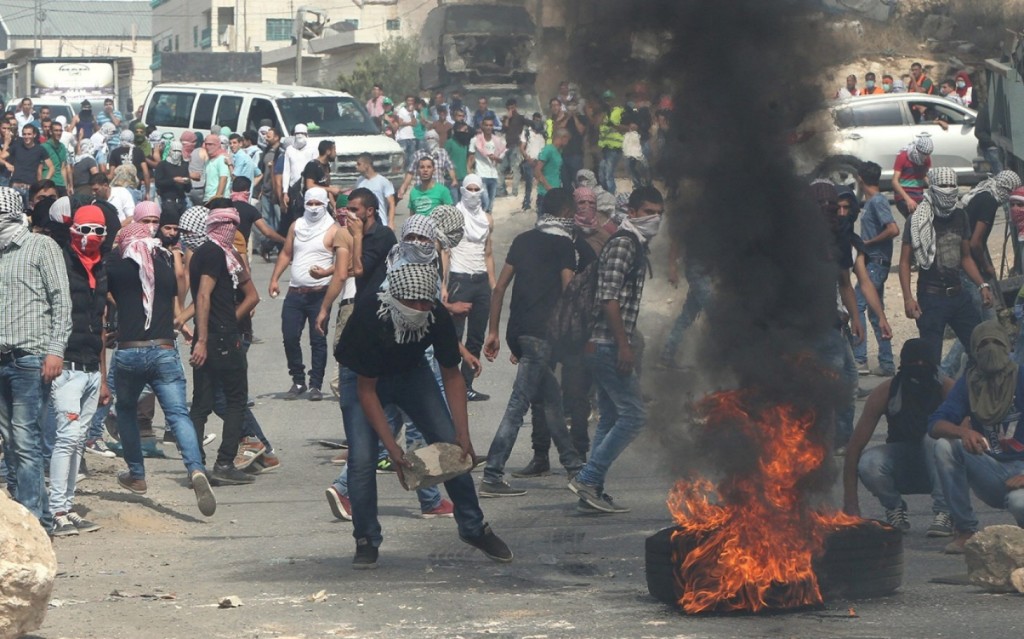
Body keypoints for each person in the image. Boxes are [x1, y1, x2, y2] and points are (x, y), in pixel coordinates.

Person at [335, 261, 513, 568]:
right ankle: (366, 538)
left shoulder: (435, 316)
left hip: (412, 374)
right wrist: (392, 447)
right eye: (412, 302)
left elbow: (452, 375)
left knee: (452, 449)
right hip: (363, 379)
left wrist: (463, 434)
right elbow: (367, 392)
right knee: (362, 459)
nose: (419, 307)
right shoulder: (370, 316)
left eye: (425, 302)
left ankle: (473, 527)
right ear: (396, 297)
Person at [106, 223, 217, 516]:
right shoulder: (166, 262)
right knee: (178, 414)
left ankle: (137, 474)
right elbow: (180, 287)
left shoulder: (115, 263)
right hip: (164, 348)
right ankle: (195, 469)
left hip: (129, 349)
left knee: (127, 410)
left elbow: (104, 297)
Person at [480, 187, 585, 497]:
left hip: (519, 331)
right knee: (518, 405)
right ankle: (493, 472)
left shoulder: (523, 240)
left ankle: (575, 467)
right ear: (567, 212)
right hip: (543, 335)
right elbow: (568, 290)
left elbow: (498, 289)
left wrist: (494, 333)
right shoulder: (565, 245)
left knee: (552, 401)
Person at [567, 187, 663, 513]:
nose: (655, 218)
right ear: (632, 212)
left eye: (659, 212)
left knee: (610, 416)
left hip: (604, 344)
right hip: (606, 344)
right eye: (648, 211)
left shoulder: (631, 242)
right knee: (634, 416)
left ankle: (591, 490)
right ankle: (588, 477)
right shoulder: (624, 243)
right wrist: (625, 345)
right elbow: (609, 298)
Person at [0, 186, 71, 532]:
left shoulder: (41, 246)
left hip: (30, 357)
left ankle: (31, 521)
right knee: (9, 441)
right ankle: (35, 513)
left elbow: (61, 301)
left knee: (25, 439)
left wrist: (56, 350)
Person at [843, 339, 954, 537]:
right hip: (905, 465)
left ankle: (946, 511)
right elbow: (854, 448)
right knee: (869, 462)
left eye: (924, 363)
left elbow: (967, 434)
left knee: (933, 439)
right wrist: (850, 502)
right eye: (913, 362)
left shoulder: (946, 388)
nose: (919, 367)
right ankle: (894, 508)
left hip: (944, 466)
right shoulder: (887, 391)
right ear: (902, 365)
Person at [930, 321, 1024, 554]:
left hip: (1021, 471)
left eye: (997, 342)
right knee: (944, 445)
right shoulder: (969, 383)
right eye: (983, 344)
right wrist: (963, 431)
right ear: (973, 351)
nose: (990, 348)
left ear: (1008, 347)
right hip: (990, 468)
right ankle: (966, 531)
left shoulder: (1021, 378)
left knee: (1019, 503)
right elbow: (935, 424)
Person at [48, 205, 110, 536]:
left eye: (99, 231)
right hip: (66, 366)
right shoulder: (60, 261)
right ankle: (57, 509)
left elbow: (100, 323)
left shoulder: (102, 268)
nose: (91, 237)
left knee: (77, 440)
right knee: (67, 436)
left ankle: (67, 506)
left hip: (90, 368)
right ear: (73, 230)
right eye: (85, 229)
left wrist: (103, 376)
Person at [187, 207, 260, 485]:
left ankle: (196, 465)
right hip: (218, 338)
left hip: (217, 333)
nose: (232, 230)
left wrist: (226, 322)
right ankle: (224, 462)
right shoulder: (216, 253)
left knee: (202, 404)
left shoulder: (221, 255)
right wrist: (204, 339)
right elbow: (203, 296)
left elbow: (251, 295)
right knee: (234, 401)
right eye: (229, 224)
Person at [900, 167, 992, 365]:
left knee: (980, 350)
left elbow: (965, 257)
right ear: (932, 187)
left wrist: (982, 285)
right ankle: (936, 395)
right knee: (930, 359)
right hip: (931, 298)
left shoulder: (960, 216)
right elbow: (905, 262)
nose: (948, 190)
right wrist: (908, 298)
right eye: (943, 185)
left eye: (952, 185)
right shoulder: (917, 220)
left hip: (959, 296)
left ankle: (973, 393)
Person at [269, 187, 337, 401]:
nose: (314, 208)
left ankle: (315, 384)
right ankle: (298, 379)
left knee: (318, 339)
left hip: (320, 294)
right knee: (290, 336)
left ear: (326, 204)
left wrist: (326, 272)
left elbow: (345, 262)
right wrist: (274, 279)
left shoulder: (333, 229)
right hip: (295, 292)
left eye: (319, 203)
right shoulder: (296, 226)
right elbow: (286, 253)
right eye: (311, 203)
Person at [443, 175, 495, 402]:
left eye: (477, 189)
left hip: (480, 280)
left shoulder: (487, 219)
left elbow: (489, 253)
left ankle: (466, 385)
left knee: (476, 336)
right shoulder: (454, 216)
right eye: (469, 189)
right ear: (462, 190)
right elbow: (446, 252)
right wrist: (443, 285)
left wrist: (493, 284)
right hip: (459, 278)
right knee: (454, 334)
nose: (473, 193)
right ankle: (449, 385)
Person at [854, 161, 900, 377]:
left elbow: (893, 229)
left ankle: (860, 359)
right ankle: (886, 362)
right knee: (876, 313)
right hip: (873, 264)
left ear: (861, 179)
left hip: (874, 264)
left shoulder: (877, 202)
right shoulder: (871, 201)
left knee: (857, 305)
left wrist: (868, 243)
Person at [398, 130, 457, 204]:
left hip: (438, 191)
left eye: (433, 138)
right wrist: (403, 187)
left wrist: (454, 179)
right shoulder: (418, 154)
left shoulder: (442, 153)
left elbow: (450, 167)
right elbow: (410, 172)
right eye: (428, 138)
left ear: (437, 139)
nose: (430, 140)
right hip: (421, 191)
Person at [5, 124, 54, 205]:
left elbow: (51, 167)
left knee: (30, 213)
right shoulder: (16, 146)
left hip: (30, 187)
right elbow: (1, 156)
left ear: (34, 135)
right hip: (15, 187)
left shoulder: (40, 149)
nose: (26, 136)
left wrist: (44, 182)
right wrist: (6, 164)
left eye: (29, 134)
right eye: (24, 134)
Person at [280, 124, 317, 226]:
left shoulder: (312, 149)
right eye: (297, 133)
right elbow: (286, 171)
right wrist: (285, 192)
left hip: (308, 187)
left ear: (306, 134)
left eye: (302, 133)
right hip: (293, 189)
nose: (299, 136)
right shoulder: (289, 150)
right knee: (295, 216)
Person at [892, 133, 933, 219]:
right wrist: (908, 200)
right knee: (915, 219)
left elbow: (925, 175)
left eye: (927, 154)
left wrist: (933, 186)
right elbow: (895, 181)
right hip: (904, 194)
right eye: (924, 154)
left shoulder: (926, 159)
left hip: (918, 194)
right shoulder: (903, 156)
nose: (925, 157)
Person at [473, 116, 506, 212]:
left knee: (490, 205)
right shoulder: (476, 140)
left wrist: (495, 158)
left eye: (490, 125)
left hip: (493, 175)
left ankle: (487, 224)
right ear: (482, 126)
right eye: (486, 125)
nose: (488, 127)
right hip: (481, 175)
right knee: (485, 202)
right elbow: (471, 157)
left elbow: (501, 160)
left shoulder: (497, 141)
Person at [355, 153, 396, 228]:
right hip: (363, 224)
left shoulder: (383, 181)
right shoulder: (359, 181)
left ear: (366, 165)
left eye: (359, 164)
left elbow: (391, 203)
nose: (356, 167)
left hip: (380, 223)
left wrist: (391, 222)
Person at [535, 128, 570, 216]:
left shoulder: (558, 151)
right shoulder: (548, 149)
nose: (567, 142)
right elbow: (537, 170)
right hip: (546, 192)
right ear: (563, 138)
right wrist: (548, 187)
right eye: (567, 139)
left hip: (555, 190)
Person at [597, 91, 625, 194]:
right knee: (601, 174)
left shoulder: (619, 111)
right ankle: (605, 195)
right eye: (605, 100)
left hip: (615, 148)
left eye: (609, 99)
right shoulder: (603, 113)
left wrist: (613, 124)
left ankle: (611, 197)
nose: (607, 102)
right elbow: (597, 125)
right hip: (605, 148)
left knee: (608, 174)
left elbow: (628, 127)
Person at [108, 130, 151, 198]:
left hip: (119, 190)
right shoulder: (139, 152)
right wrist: (147, 192)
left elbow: (111, 174)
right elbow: (146, 173)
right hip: (135, 189)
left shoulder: (115, 152)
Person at [497, 99, 527, 199]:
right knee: (500, 168)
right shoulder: (506, 119)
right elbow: (503, 130)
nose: (511, 110)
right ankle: (502, 190)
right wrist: (507, 119)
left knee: (515, 169)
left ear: (516, 107)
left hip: (516, 146)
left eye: (512, 108)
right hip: (507, 147)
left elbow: (520, 132)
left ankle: (514, 192)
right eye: (509, 108)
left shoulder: (520, 118)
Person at [154, 141, 191, 214]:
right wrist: (173, 180)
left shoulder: (184, 166)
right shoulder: (162, 165)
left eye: (179, 151)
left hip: (182, 201)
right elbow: (158, 183)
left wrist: (187, 182)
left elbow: (188, 189)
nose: (176, 153)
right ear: (170, 150)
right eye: (174, 150)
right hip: (167, 201)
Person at [521, 114, 545, 212]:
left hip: (540, 162)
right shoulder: (527, 132)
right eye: (535, 120)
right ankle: (527, 203)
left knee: (541, 183)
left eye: (539, 120)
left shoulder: (544, 133)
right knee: (529, 183)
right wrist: (527, 158)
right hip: (530, 161)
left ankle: (541, 203)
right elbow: (522, 148)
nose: (537, 122)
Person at [445, 123, 475, 203]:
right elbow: (444, 159)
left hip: (464, 179)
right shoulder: (449, 143)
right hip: (451, 179)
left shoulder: (465, 144)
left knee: (463, 204)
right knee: (454, 204)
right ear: (457, 130)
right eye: (464, 130)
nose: (466, 132)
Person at [42, 120, 71, 197]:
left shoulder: (62, 147)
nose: (59, 133)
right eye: (56, 130)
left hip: (60, 183)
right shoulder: (44, 147)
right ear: (51, 132)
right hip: (49, 182)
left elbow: (63, 168)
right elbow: (40, 167)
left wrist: (65, 185)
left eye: (60, 130)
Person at [201, 134, 231, 203]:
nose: (208, 147)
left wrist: (217, 197)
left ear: (217, 145)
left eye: (211, 144)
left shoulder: (222, 159)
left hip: (218, 200)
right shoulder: (209, 160)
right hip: (208, 198)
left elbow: (223, 178)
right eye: (206, 144)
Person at [395, 95, 419, 169]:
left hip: (412, 137)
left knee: (411, 157)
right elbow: (400, 123)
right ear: (406, 101)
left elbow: (415, 123)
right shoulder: (402, 110)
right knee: (403, 157)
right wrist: (409, 123)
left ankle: (410, 172)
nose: (410, 102)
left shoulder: (415, 112)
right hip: (403, 137)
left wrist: (411, 114)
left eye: (412, 100)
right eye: (409, 100)